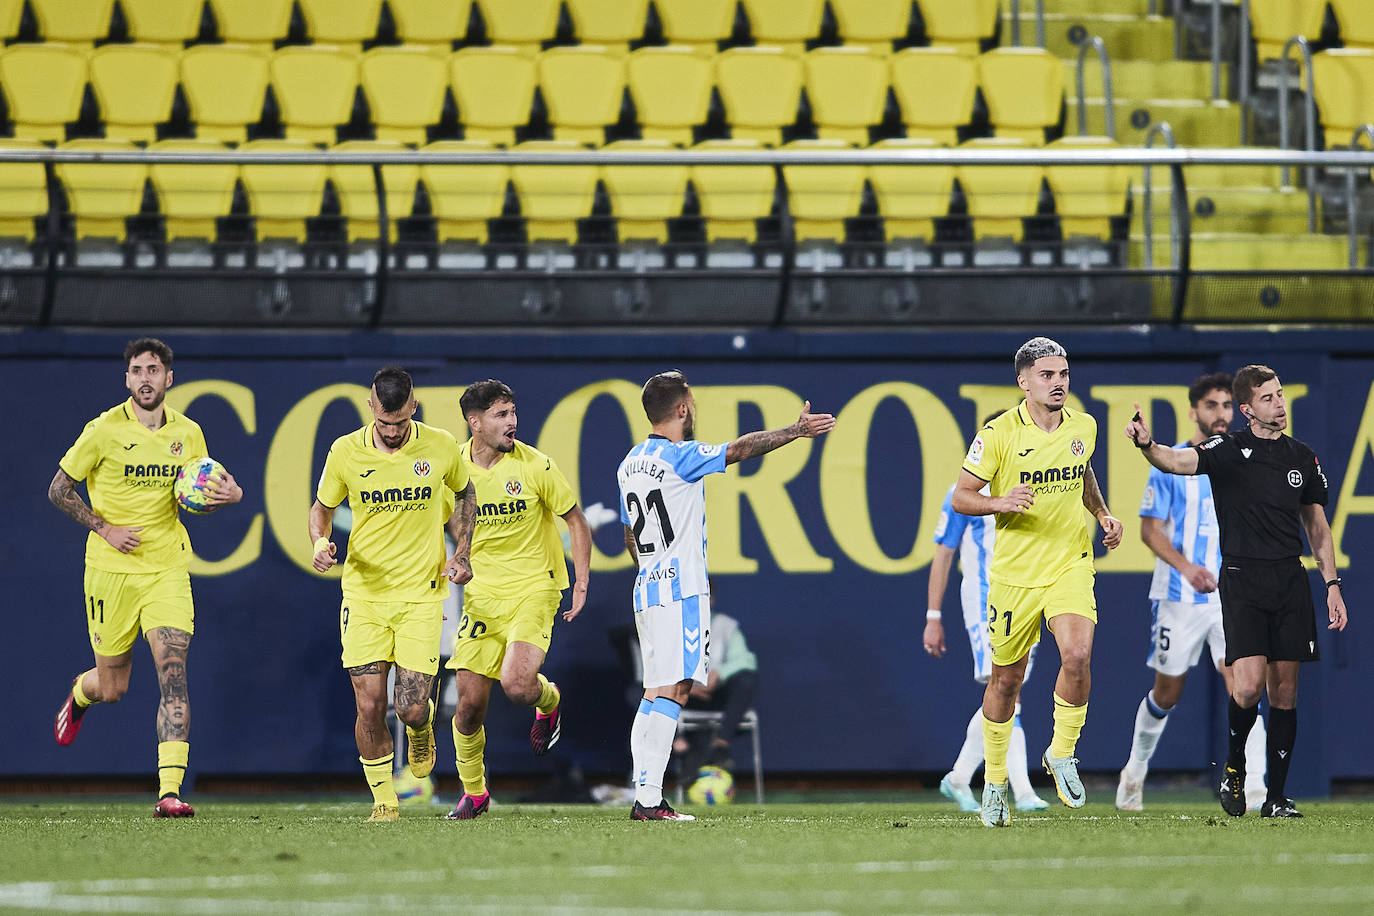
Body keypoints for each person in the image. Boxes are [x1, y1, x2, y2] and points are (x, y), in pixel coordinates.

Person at [1125, 364, 1348, 818]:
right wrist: (1147, 444)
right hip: (1240, 581)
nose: (1279, 403)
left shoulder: (1302, 457)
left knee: (1285, 692)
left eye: (1281, 394)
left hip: (1289, 579)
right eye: (1268, 398)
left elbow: (1317, 528)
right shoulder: (1227, 449)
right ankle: (1232, 767)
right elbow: (1176, 461)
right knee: (1245, 689)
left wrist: (1332, 583)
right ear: (1248, 410)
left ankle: (1275, 797)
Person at [617, 370, 834, 821]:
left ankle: (645, 792)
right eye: (691, 402)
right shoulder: (680, 457)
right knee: (674, 690)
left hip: (646, 586)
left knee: (653, 690)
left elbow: (629, 536)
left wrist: (653, 566)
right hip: (682, 589)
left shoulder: (629, 463)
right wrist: (795, 432)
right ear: (682, 408)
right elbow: (738, 450)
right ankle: (650, 800)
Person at [49, 337, 243, 818]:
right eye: (137, 370)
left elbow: (195, 493)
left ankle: (169, 792)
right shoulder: (103, 430)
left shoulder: (189, 434)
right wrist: (106, 527)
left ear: (169, 378)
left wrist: (231, 495)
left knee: (173, 673)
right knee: (113, 688)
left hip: (167, 568)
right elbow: (58, 489)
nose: (145, 378)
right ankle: (80, 693)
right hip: (110, 572)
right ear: (128, 379)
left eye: (153, 370)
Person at [952, 336, 1123, 827]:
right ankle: (996, 782)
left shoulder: (1084, 426)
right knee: (1006, 680)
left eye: (1063, 374)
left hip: (1069, 562)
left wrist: (1104, 513)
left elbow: (1083, 471)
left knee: (1078, 654)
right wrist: (998, 503)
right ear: (1023, 381)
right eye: (1047, 375)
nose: (1058, 383)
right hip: (1014, 576)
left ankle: (1062, 752)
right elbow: (963, 496)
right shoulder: (999, 433)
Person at [310, 366, 476, 822]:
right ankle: (384, 800)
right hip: (364, 595)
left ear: (413, 407)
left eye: (400, 423)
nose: (393, 432)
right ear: (371, 407)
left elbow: (465, 495)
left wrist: (462, 553)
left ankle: (420, 728)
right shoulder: (344, 452)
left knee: (409, 707)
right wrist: (320, 544)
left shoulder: (441, 445)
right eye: (385, 424)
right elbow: (321, 510)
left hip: (422, 597)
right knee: (369, 705)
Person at [1117, 373, 1268, 812]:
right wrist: (1187, 569)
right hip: (1178, 599)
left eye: (1226, 405)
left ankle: (1254, 783)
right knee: (1167, 693)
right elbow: (1149, 530)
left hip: (1231, 598)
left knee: (1244, 686)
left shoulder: (1243, 462)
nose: (1220, 413)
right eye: (1211, 405)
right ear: (1194, 411)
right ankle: (1135, 772)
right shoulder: (1173, 464)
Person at [444, 379, 592, 821]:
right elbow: (451, 519)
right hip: (483, 597)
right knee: (468, 707)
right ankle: (475, 793)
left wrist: (581, 581)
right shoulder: (452, 465)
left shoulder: (536, 465)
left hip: (535, 587)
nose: (513, 422)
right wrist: (462, 554)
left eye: (513, 412)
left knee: (517, 685)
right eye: (501, 415)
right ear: (475, 422)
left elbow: (576, 521)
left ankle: (549, 700)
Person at [925, 478, 1048, 814]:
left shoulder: (1033, 484)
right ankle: (1023, 792)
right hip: (984, 602)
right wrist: (933, 615)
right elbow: (944, 552)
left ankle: (960, 777)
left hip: (1025, 600)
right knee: (1008, 690)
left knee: (1007, 691)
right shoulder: (961, 494)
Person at [674, 581, 759, 780]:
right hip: (680, 696)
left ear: (712, 599)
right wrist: (687, 688)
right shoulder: (670, 627)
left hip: (715, 695)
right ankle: (682, 749)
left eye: (705, 596)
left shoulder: (725, 625)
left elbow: (747, 660)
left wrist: (720, 673)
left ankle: (720, 745)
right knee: (640, 693)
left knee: (746, 678)